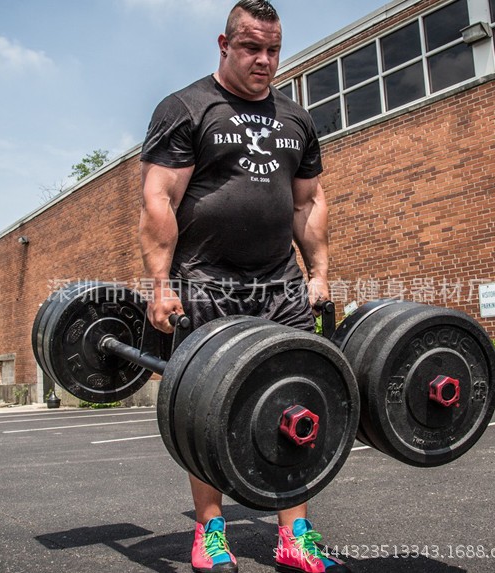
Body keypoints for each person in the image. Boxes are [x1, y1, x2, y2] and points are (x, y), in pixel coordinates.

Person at [139, 1, 350, 572]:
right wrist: (161, 285)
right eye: (252, 47)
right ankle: (211, 531)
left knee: (297, 393)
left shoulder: (296, 118)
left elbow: (308, 202)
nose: (264, 60)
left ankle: (294, 534)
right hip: (207, 281)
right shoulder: (187, 108)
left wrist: (320, 274)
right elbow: (160, 199)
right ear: (224, 44)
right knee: (208, 408)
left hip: (280, 282)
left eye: (273, 49)